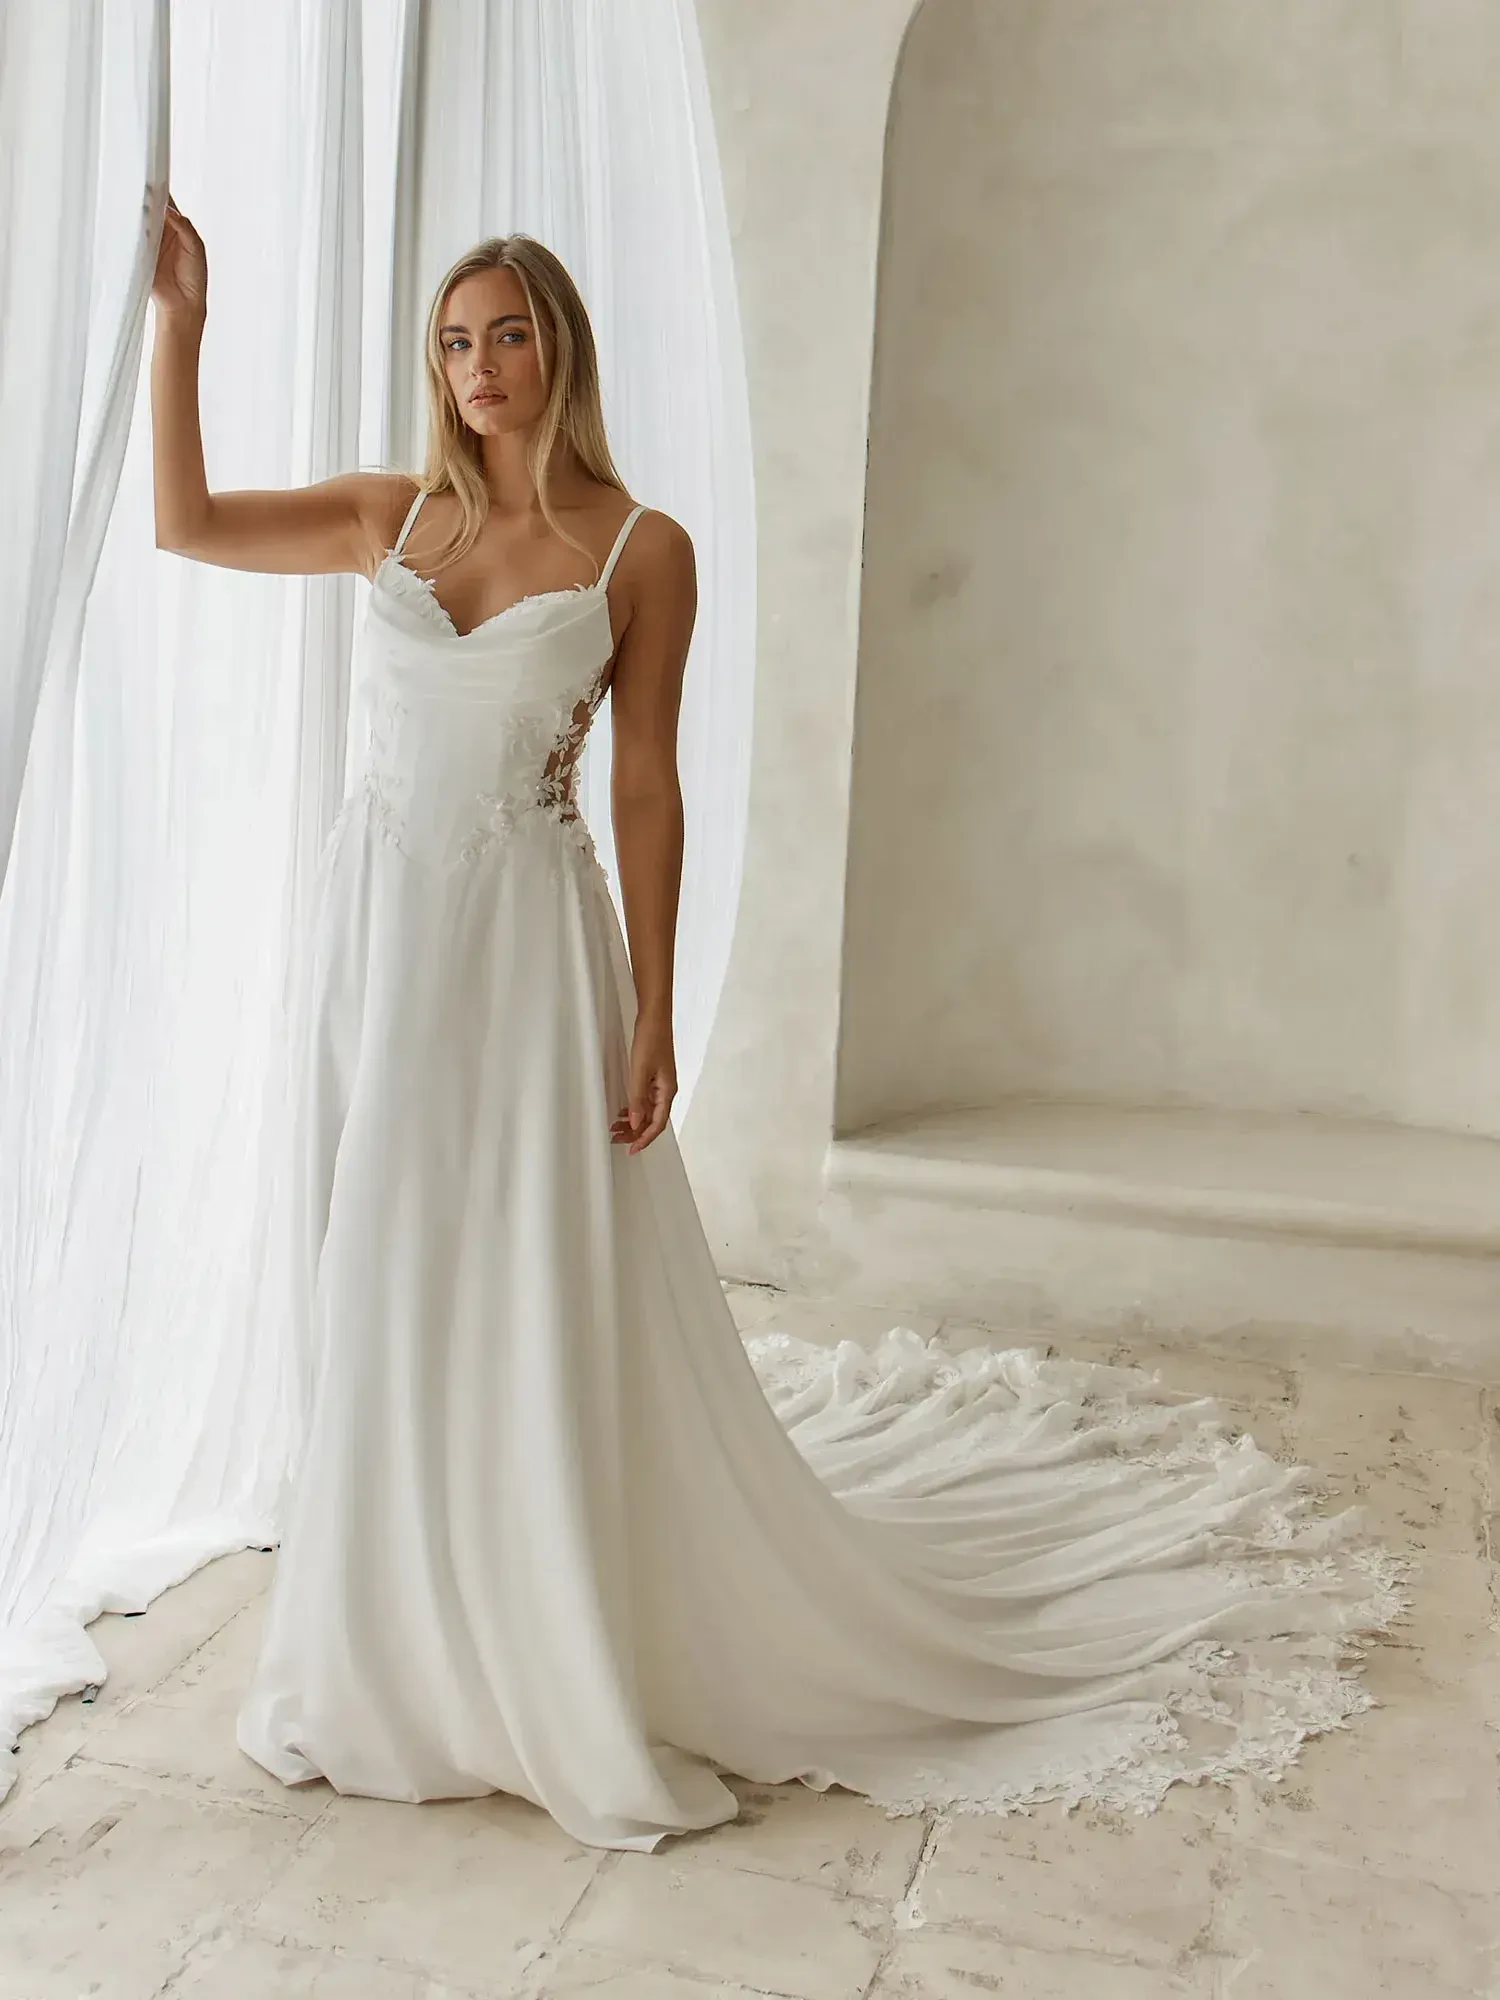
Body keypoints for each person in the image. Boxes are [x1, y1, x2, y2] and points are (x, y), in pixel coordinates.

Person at [148, 198, 1407, 1856]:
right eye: (454, 341)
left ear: (561, 349)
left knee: (517, 1264)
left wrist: (656, 1007)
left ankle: (539, 1617)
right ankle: (384, 1635)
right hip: (379, 946)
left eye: (508, 334)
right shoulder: (390, 518)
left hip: (525, 958)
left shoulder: (639, 549)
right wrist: (183, 324)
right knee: (381, 1254)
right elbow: (183, 524)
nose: (479, 367)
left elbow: (648, 787)